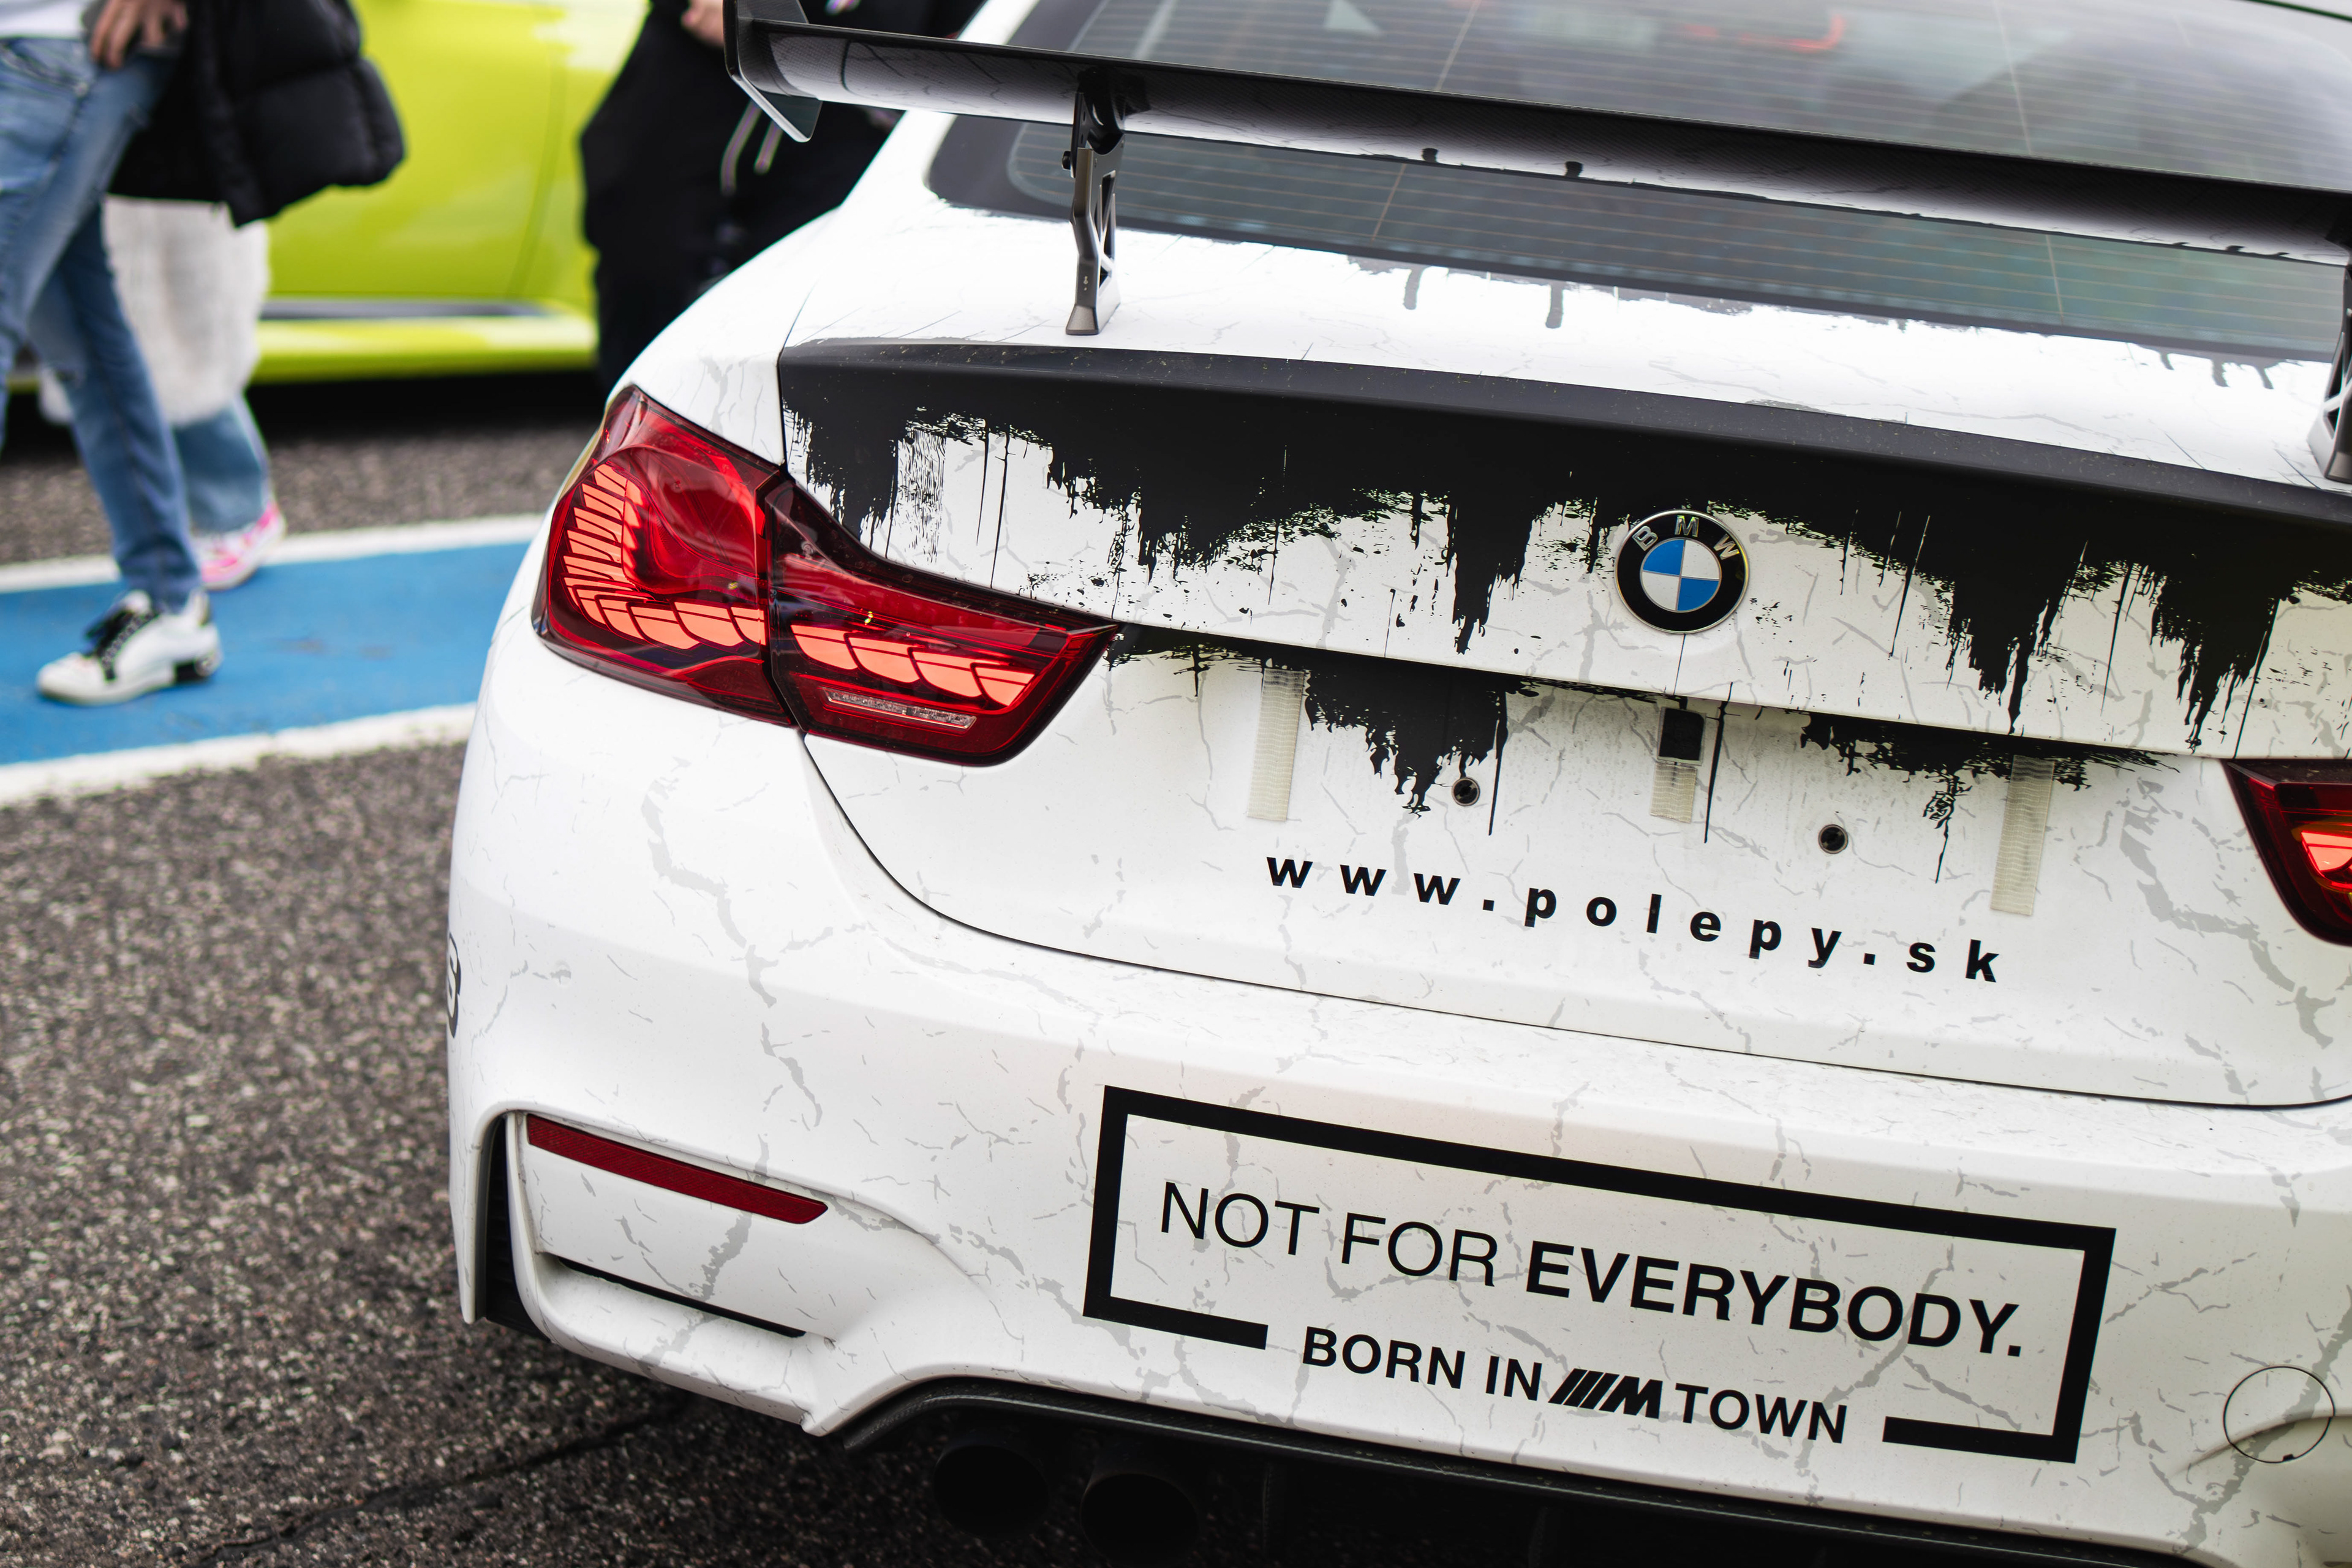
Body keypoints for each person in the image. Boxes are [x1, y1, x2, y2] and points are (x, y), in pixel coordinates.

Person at [580, 0, 980, 389]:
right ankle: (633, 416)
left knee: (794, 296)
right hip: (691, 68)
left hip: (845, 101)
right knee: (644, 259)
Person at [2, 0, 219, 705]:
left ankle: (170, 598)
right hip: (41, 48)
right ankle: (169, 601)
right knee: (81, 327)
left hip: (60, 41)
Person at [37, 198, 282, 589]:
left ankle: (236, 513)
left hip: (162, 197)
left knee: (183, 359)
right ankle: (186, 532)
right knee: (115, 359)